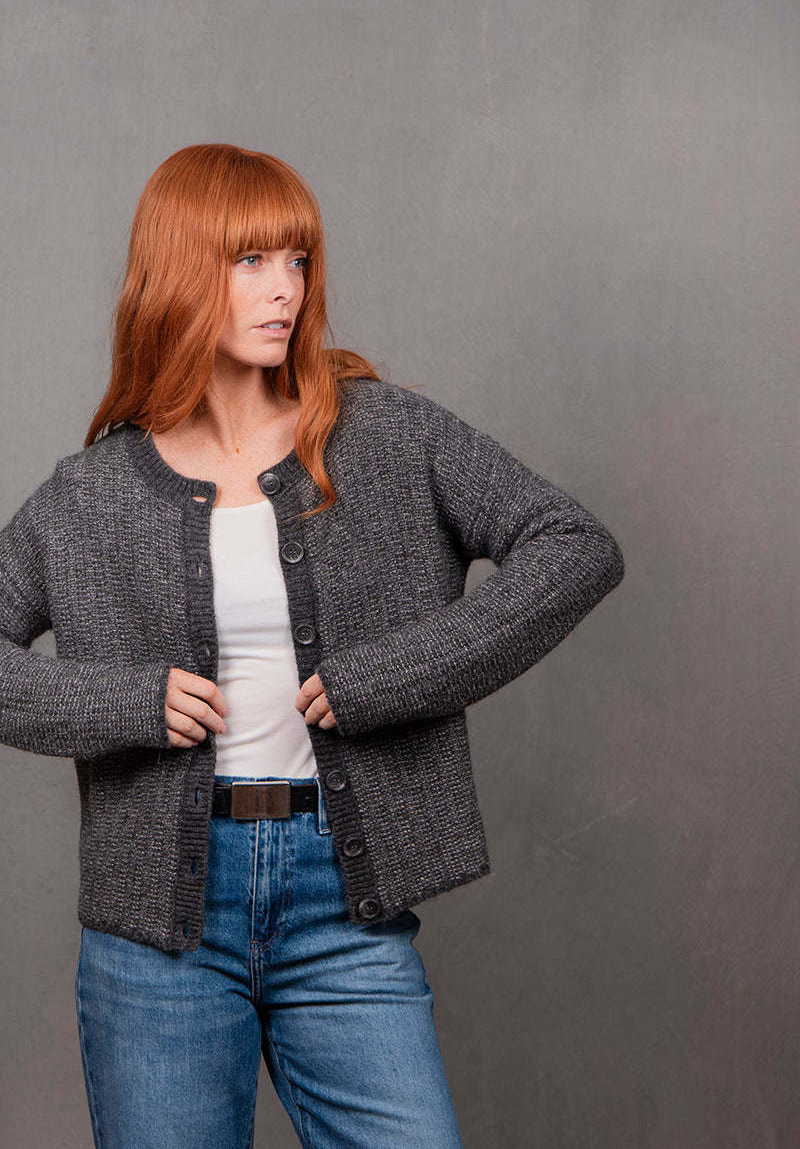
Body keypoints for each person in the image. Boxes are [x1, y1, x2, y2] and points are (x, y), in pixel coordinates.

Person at [0, 143, 624, 1149]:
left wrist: (392, 676)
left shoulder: (384, 435)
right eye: (251, 261)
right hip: (160, 928)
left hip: (342, 901)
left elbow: (573, 547)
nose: (284, 288)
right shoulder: (92, 492)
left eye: (297, 260)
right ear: (179, 270)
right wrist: (121, 704)